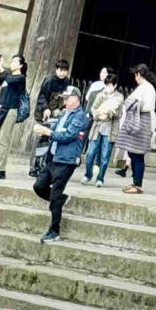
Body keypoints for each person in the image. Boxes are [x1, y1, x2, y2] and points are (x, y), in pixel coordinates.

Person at [33, 85, 92, 245]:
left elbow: (69, 135)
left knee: (55, 195)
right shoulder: (65, 114)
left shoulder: (81, 116)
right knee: (39, 186)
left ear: (76, 99)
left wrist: (49, 133)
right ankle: (62, 199)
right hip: (54, 157)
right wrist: (45, 129)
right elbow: (57, 129)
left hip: (66, 160)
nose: (65, 101)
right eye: (64, 98)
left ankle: (54, 230)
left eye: (67, 98)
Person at [118, 63, 156, 195]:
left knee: (138, 154)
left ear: (138, 75)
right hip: (136, 120)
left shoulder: (148, 88)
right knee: (132, 153)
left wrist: (135, 104)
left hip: (142, 121)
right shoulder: (143, 87)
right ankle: (135, 181)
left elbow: (149, 106)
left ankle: (138, 184)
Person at [84, 67, 122, 183]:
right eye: (106, 85)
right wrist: (98, 114)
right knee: (90, 153)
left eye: (110, 85)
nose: (107, 88)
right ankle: (88, 174)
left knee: (105, 157)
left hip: (109, 130)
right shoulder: (100, 95)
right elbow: (93, 108)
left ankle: (100, 178)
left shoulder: (119, 97)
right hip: (97, 128)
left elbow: (118, 113)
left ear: (115, 86)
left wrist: (107, 113)